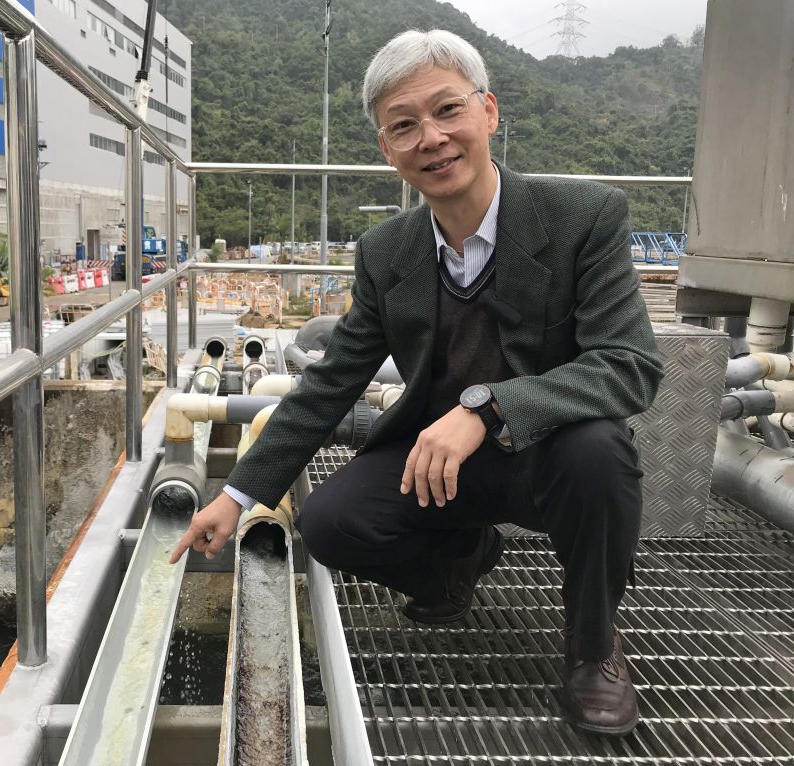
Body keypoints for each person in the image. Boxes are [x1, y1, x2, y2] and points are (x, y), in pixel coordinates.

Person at [171, 29, 663, 736]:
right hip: (439, 462)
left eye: (447, 111)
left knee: (601, 455)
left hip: (549, 455)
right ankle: (460, 560)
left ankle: (594, 650)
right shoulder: (385, 251)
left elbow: (630, 365)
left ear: (488, 112)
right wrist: (239, 493)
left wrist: (489, 407)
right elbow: (332, 381)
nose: (430, 138)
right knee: (331, 523)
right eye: (404, 125)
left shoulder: (583, 218)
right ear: (387, 149)